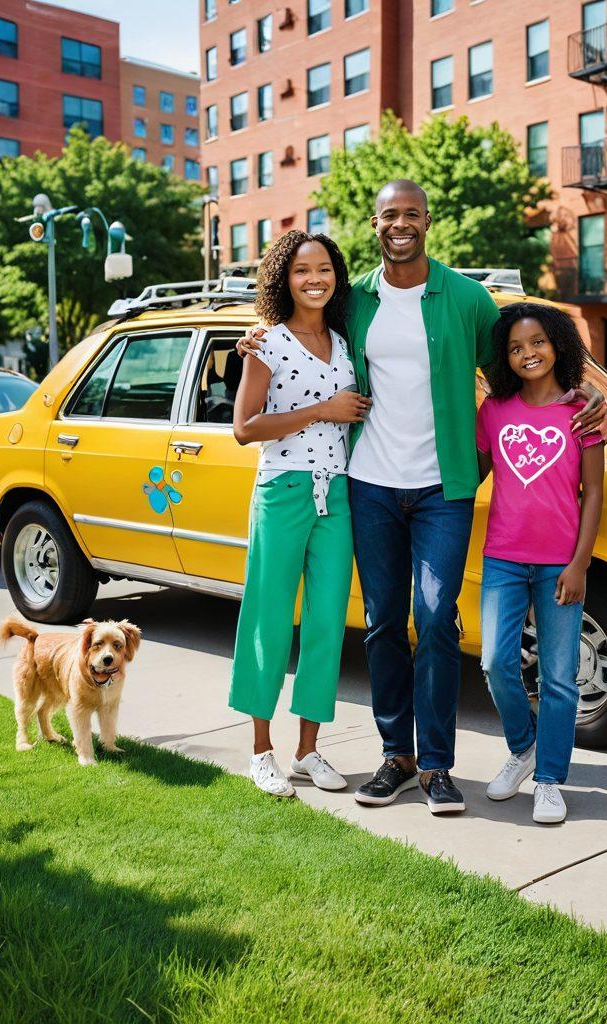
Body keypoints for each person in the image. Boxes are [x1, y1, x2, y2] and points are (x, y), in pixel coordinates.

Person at [241, 180, 607, 815]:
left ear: (428, 221)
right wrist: (254, 336)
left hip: (443, 488)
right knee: (383, 621)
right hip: (370, 484)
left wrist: (584, 392)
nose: (400, 224)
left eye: (411, 214)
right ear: (375, 225)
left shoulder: (466, 299)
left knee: (435, 618)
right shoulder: (353, 302)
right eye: (389, 215)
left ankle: (437, 763)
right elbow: (293, 330)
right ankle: (397, 757)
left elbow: (528, 354)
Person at [229, 230, 371, 797]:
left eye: (325, 270)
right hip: (282, 489)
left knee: (325, 624)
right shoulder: (266, 344)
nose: (315, 279)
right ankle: (261, 751)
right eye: (301, 270)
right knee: (267, 617)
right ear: (282, 278)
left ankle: (309, 750)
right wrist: (324, 410)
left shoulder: (345, 341)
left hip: (337, 494)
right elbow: (245, 428)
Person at [476, 302, 606, 824]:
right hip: (504, 558)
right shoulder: (495, 411)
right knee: (494, 662)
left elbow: (594, 493)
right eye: (515, 347)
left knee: (557, 677)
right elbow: (474, 472)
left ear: (557, 345)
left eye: (537, 343)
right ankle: (522, 747)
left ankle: (550, 779)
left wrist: (579, 565)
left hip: (560, 565)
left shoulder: (583, 412)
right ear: (504, 358)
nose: (528, 353)